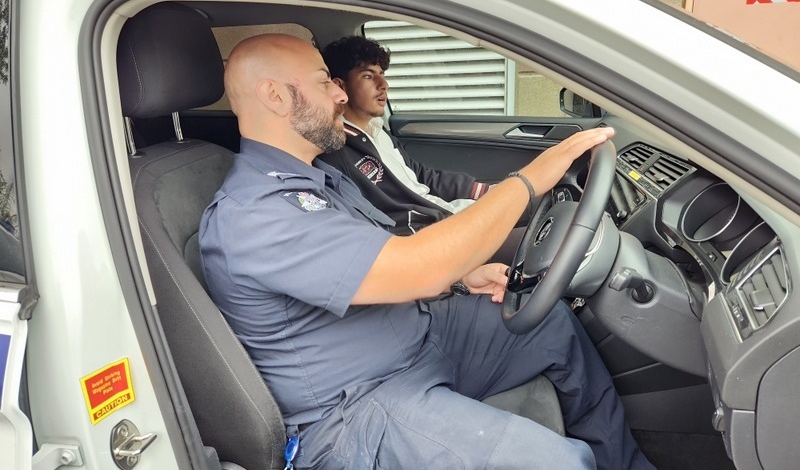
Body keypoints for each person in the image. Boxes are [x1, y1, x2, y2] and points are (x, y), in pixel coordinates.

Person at [199, 33, 654, 470]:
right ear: (275, 96)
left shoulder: (320, 180)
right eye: (324, 81)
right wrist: (529, 181)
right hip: (359, 405)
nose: (339, 95)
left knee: (550, 323)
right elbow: (418, 266)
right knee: (558, 463)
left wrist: (460, 278)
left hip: (416, 337)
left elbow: (384, 257)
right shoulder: (256, 212)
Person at [319, 36, 524, 263]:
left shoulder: (376, 131)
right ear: (340, 86)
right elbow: (389, 218)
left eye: (382, 74)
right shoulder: (339, 151)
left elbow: (419, 176)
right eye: (368, 76)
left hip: (452, 216)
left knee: (535, 199)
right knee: (546, 240)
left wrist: (482, 191)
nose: (383, 84)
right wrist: (456, 230)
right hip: (443, 237)